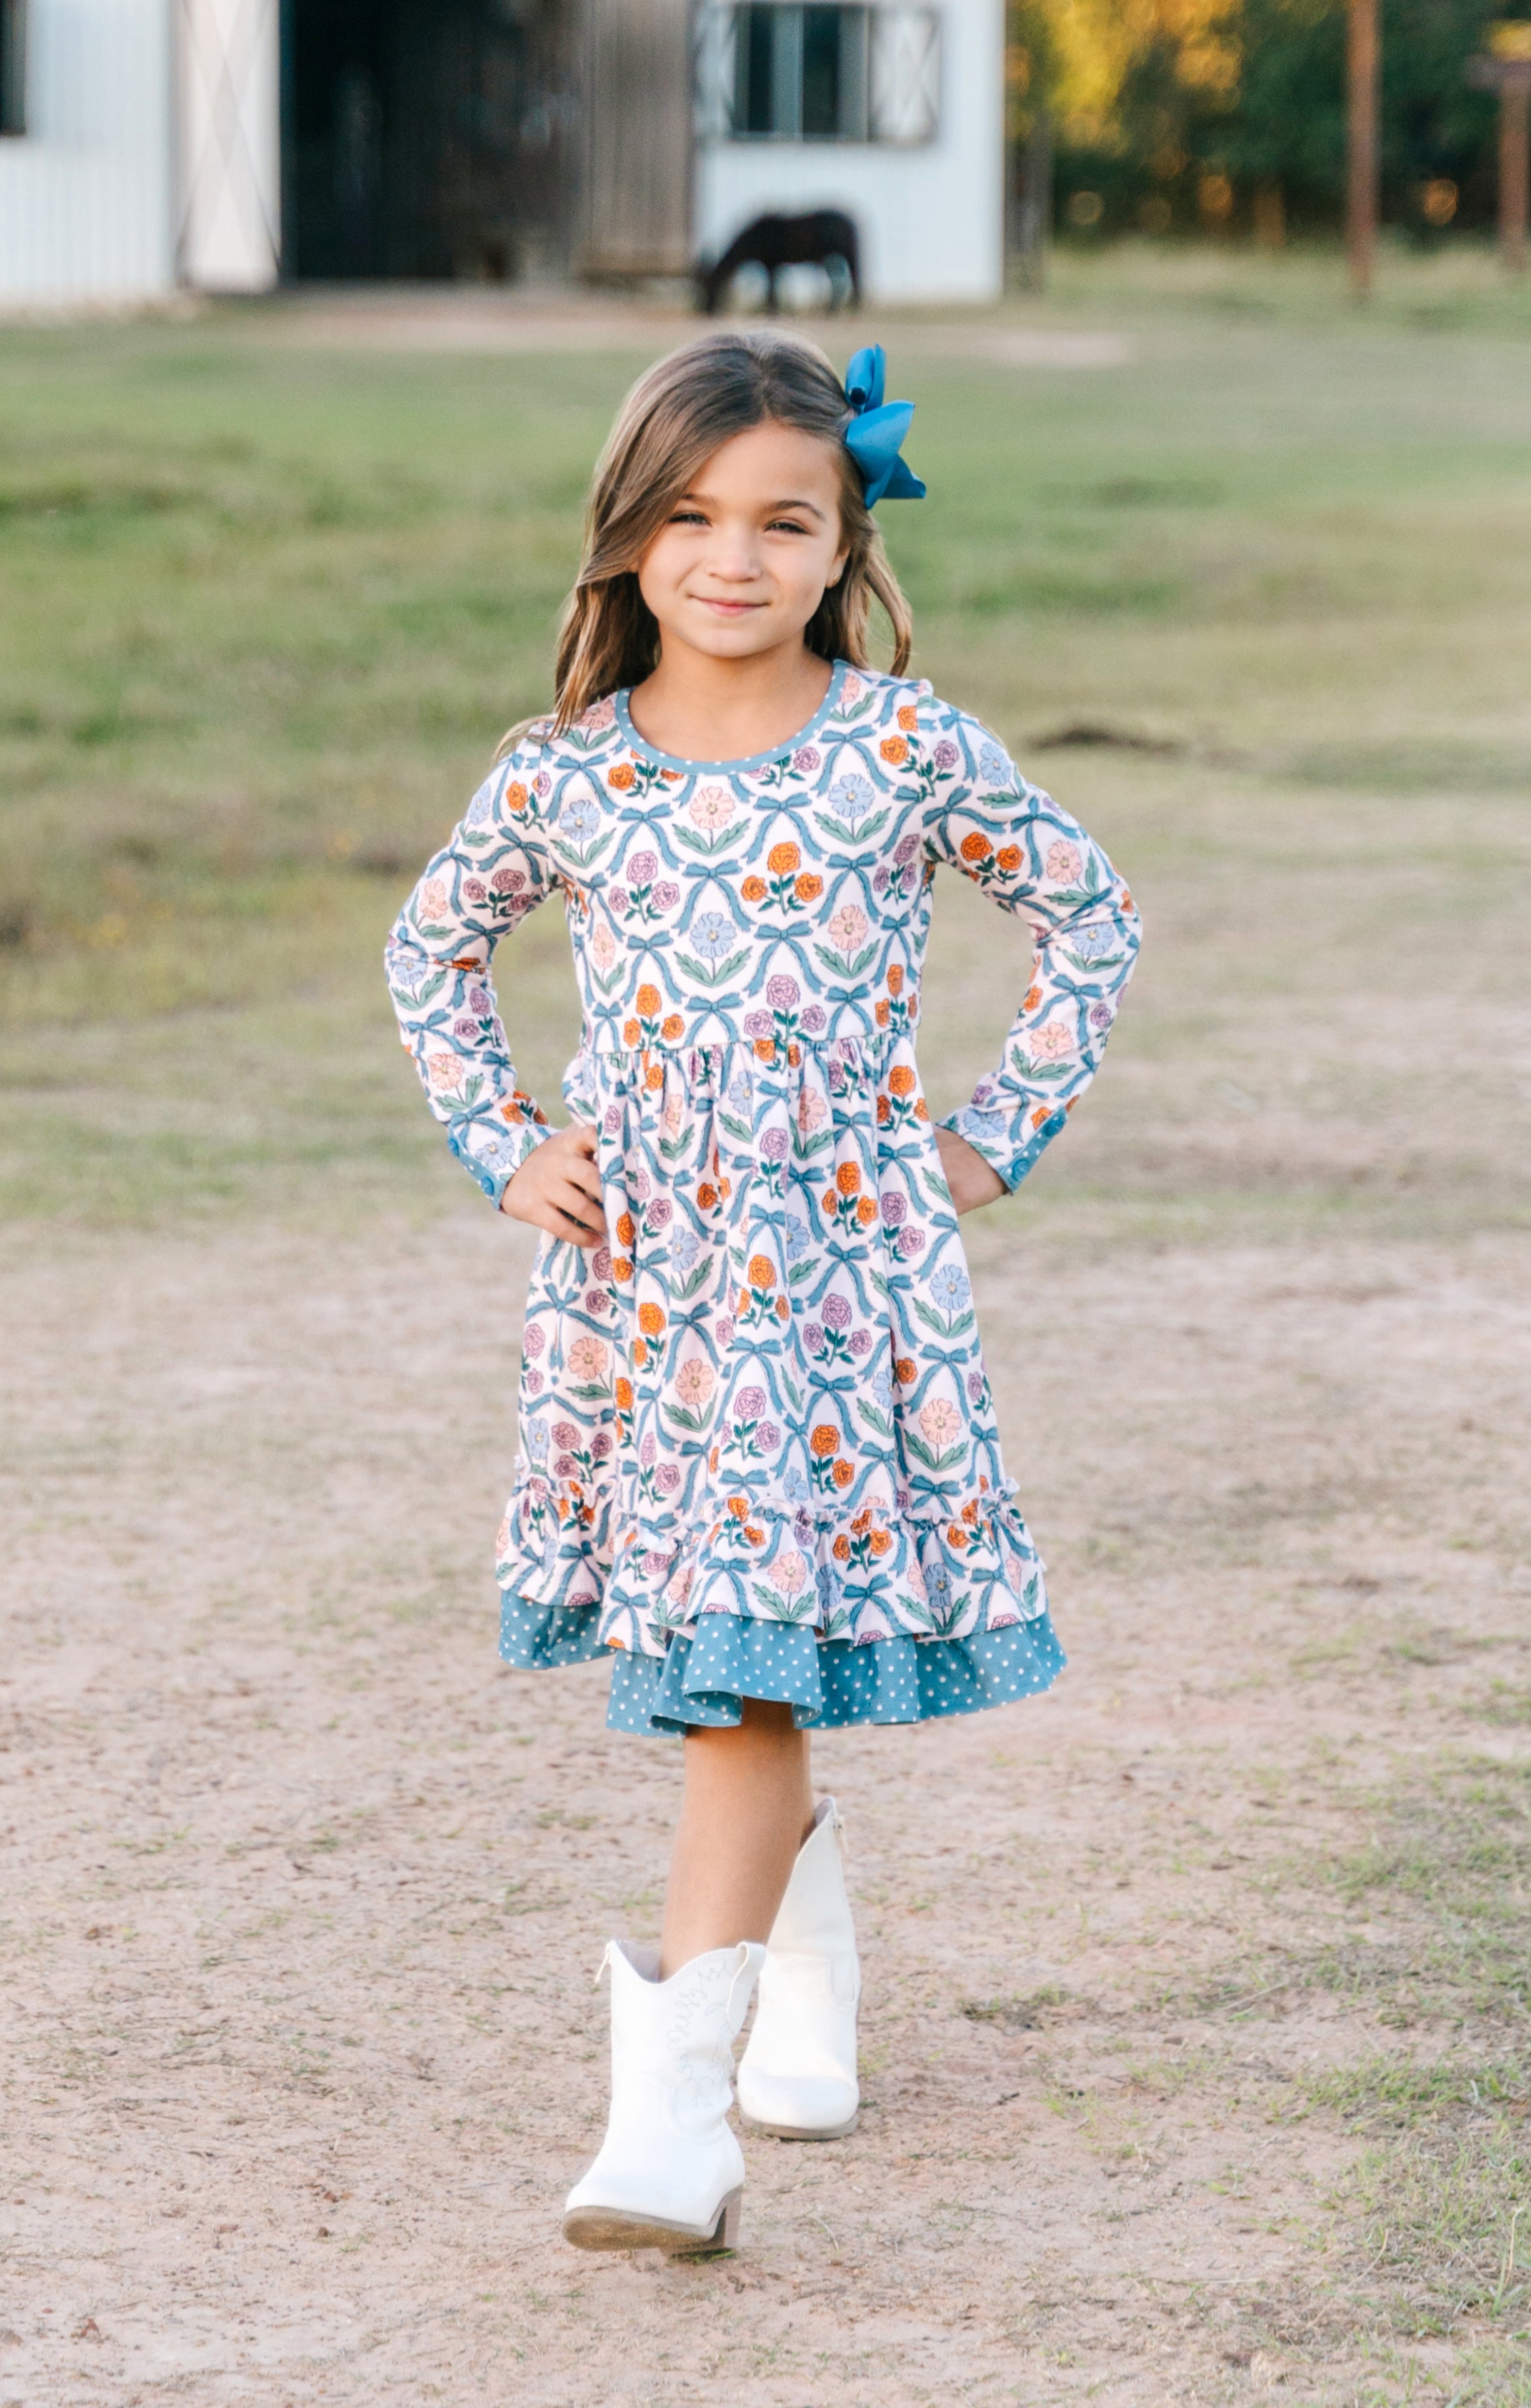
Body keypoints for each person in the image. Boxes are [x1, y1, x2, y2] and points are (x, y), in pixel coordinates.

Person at [385, 330, 1139, 2254]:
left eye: (785, 520)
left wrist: (988, 1135)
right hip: (648, 1297)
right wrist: (503, 1139)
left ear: (842, 543)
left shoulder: (902, 748)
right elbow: (430, 955)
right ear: (628, 539)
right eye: (692, 516)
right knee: (737, 1659)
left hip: (827, 1290)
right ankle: (794, 1966)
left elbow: (1088, 914)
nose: (735, 556)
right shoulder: (561, 779)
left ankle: (671, 2127)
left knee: (735, 1665)